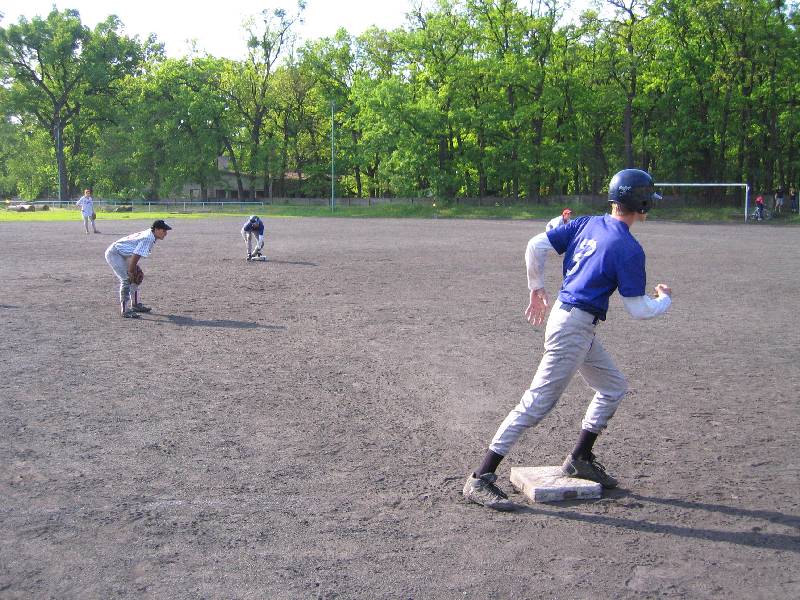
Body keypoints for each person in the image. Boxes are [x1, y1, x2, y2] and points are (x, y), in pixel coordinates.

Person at [462, 169, 673, 511]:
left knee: (613, 386)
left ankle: (580, 458)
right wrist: (663, 300)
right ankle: (480, 477)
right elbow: (639, 309)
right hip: (573, 328)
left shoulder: (588, 222)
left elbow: (536, 244)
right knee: (536, 404)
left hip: (572, 321)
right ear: (641, 202)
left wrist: (536, 287)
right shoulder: (629, 248)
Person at [104, 220, 172, 319]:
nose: (166, 233)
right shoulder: (148, 238)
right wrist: (131, 271)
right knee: (127, 279)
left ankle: (135, 305)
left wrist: (133, 271)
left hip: (123, 254)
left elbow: (135, 254)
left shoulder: (151, 234)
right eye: (164, 230)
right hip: (114, 254)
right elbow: (136, 255)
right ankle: (125, 310)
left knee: (136, 277)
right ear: (156, 229)